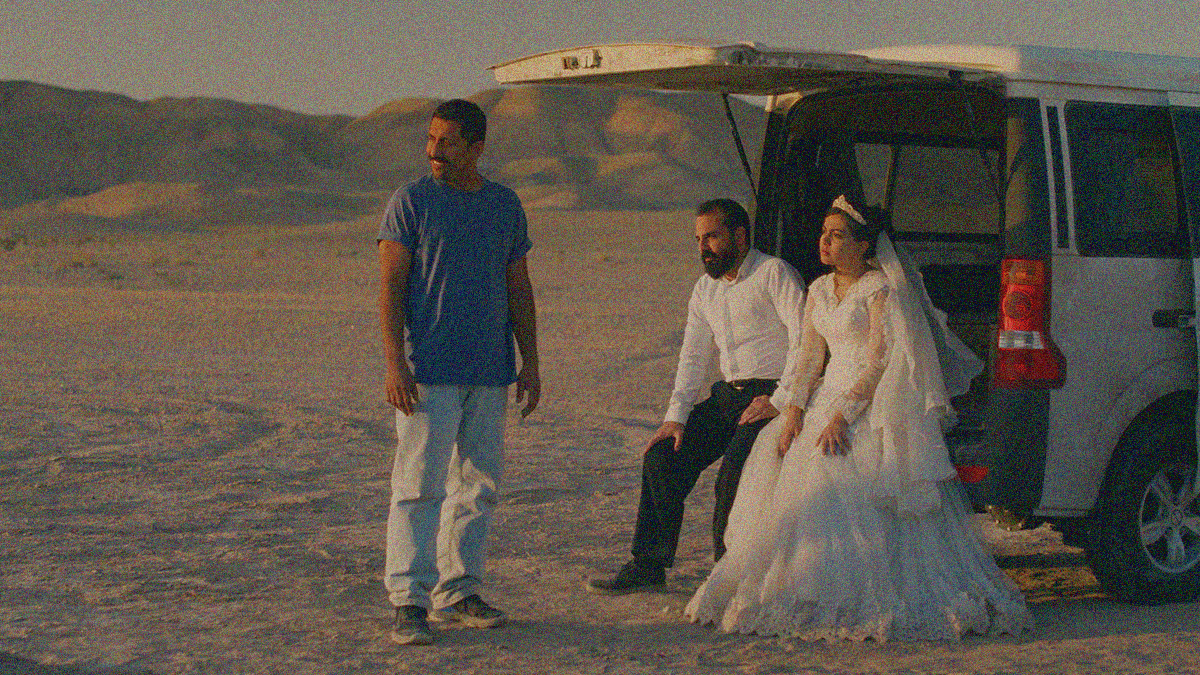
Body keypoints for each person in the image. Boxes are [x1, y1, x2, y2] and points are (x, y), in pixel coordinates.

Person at [685, 195, 1032, 641]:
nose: (825, 242)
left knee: (840, 468)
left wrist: (843, 417)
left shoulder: (879, 290)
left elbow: (878, 362)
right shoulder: (817, 290)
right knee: (780, 459)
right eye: (823, 234)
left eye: (837, 235)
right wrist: (793, 411)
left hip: (866, 401)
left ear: (864, 245)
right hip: (823, 396)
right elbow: (809, 358)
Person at [377, 99, 540, 646]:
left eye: (446, 141)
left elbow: (518, 285)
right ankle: (409, 599)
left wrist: (531, 361)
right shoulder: (411, 202)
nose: (434, 150)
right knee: (418, 486)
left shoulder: (504, 205)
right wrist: (394, 362)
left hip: (490, 370)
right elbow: (390, 286)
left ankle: (460, 588)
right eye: (431, 139)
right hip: (429, 371)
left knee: (477, 486)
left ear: (476, 147)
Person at [586, 198, 806, 595]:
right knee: (661, 457)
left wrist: (780, 398)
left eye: (712, 237)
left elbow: (804, 340)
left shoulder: (774, 273)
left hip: (771, 397)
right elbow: (692, 356)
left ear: (740, 236)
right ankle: (649, 565)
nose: (703, 248)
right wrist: (676, 418)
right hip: (727, 397)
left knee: (733, 474)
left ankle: (728, 577)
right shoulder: (705, 289)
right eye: (699, 239)